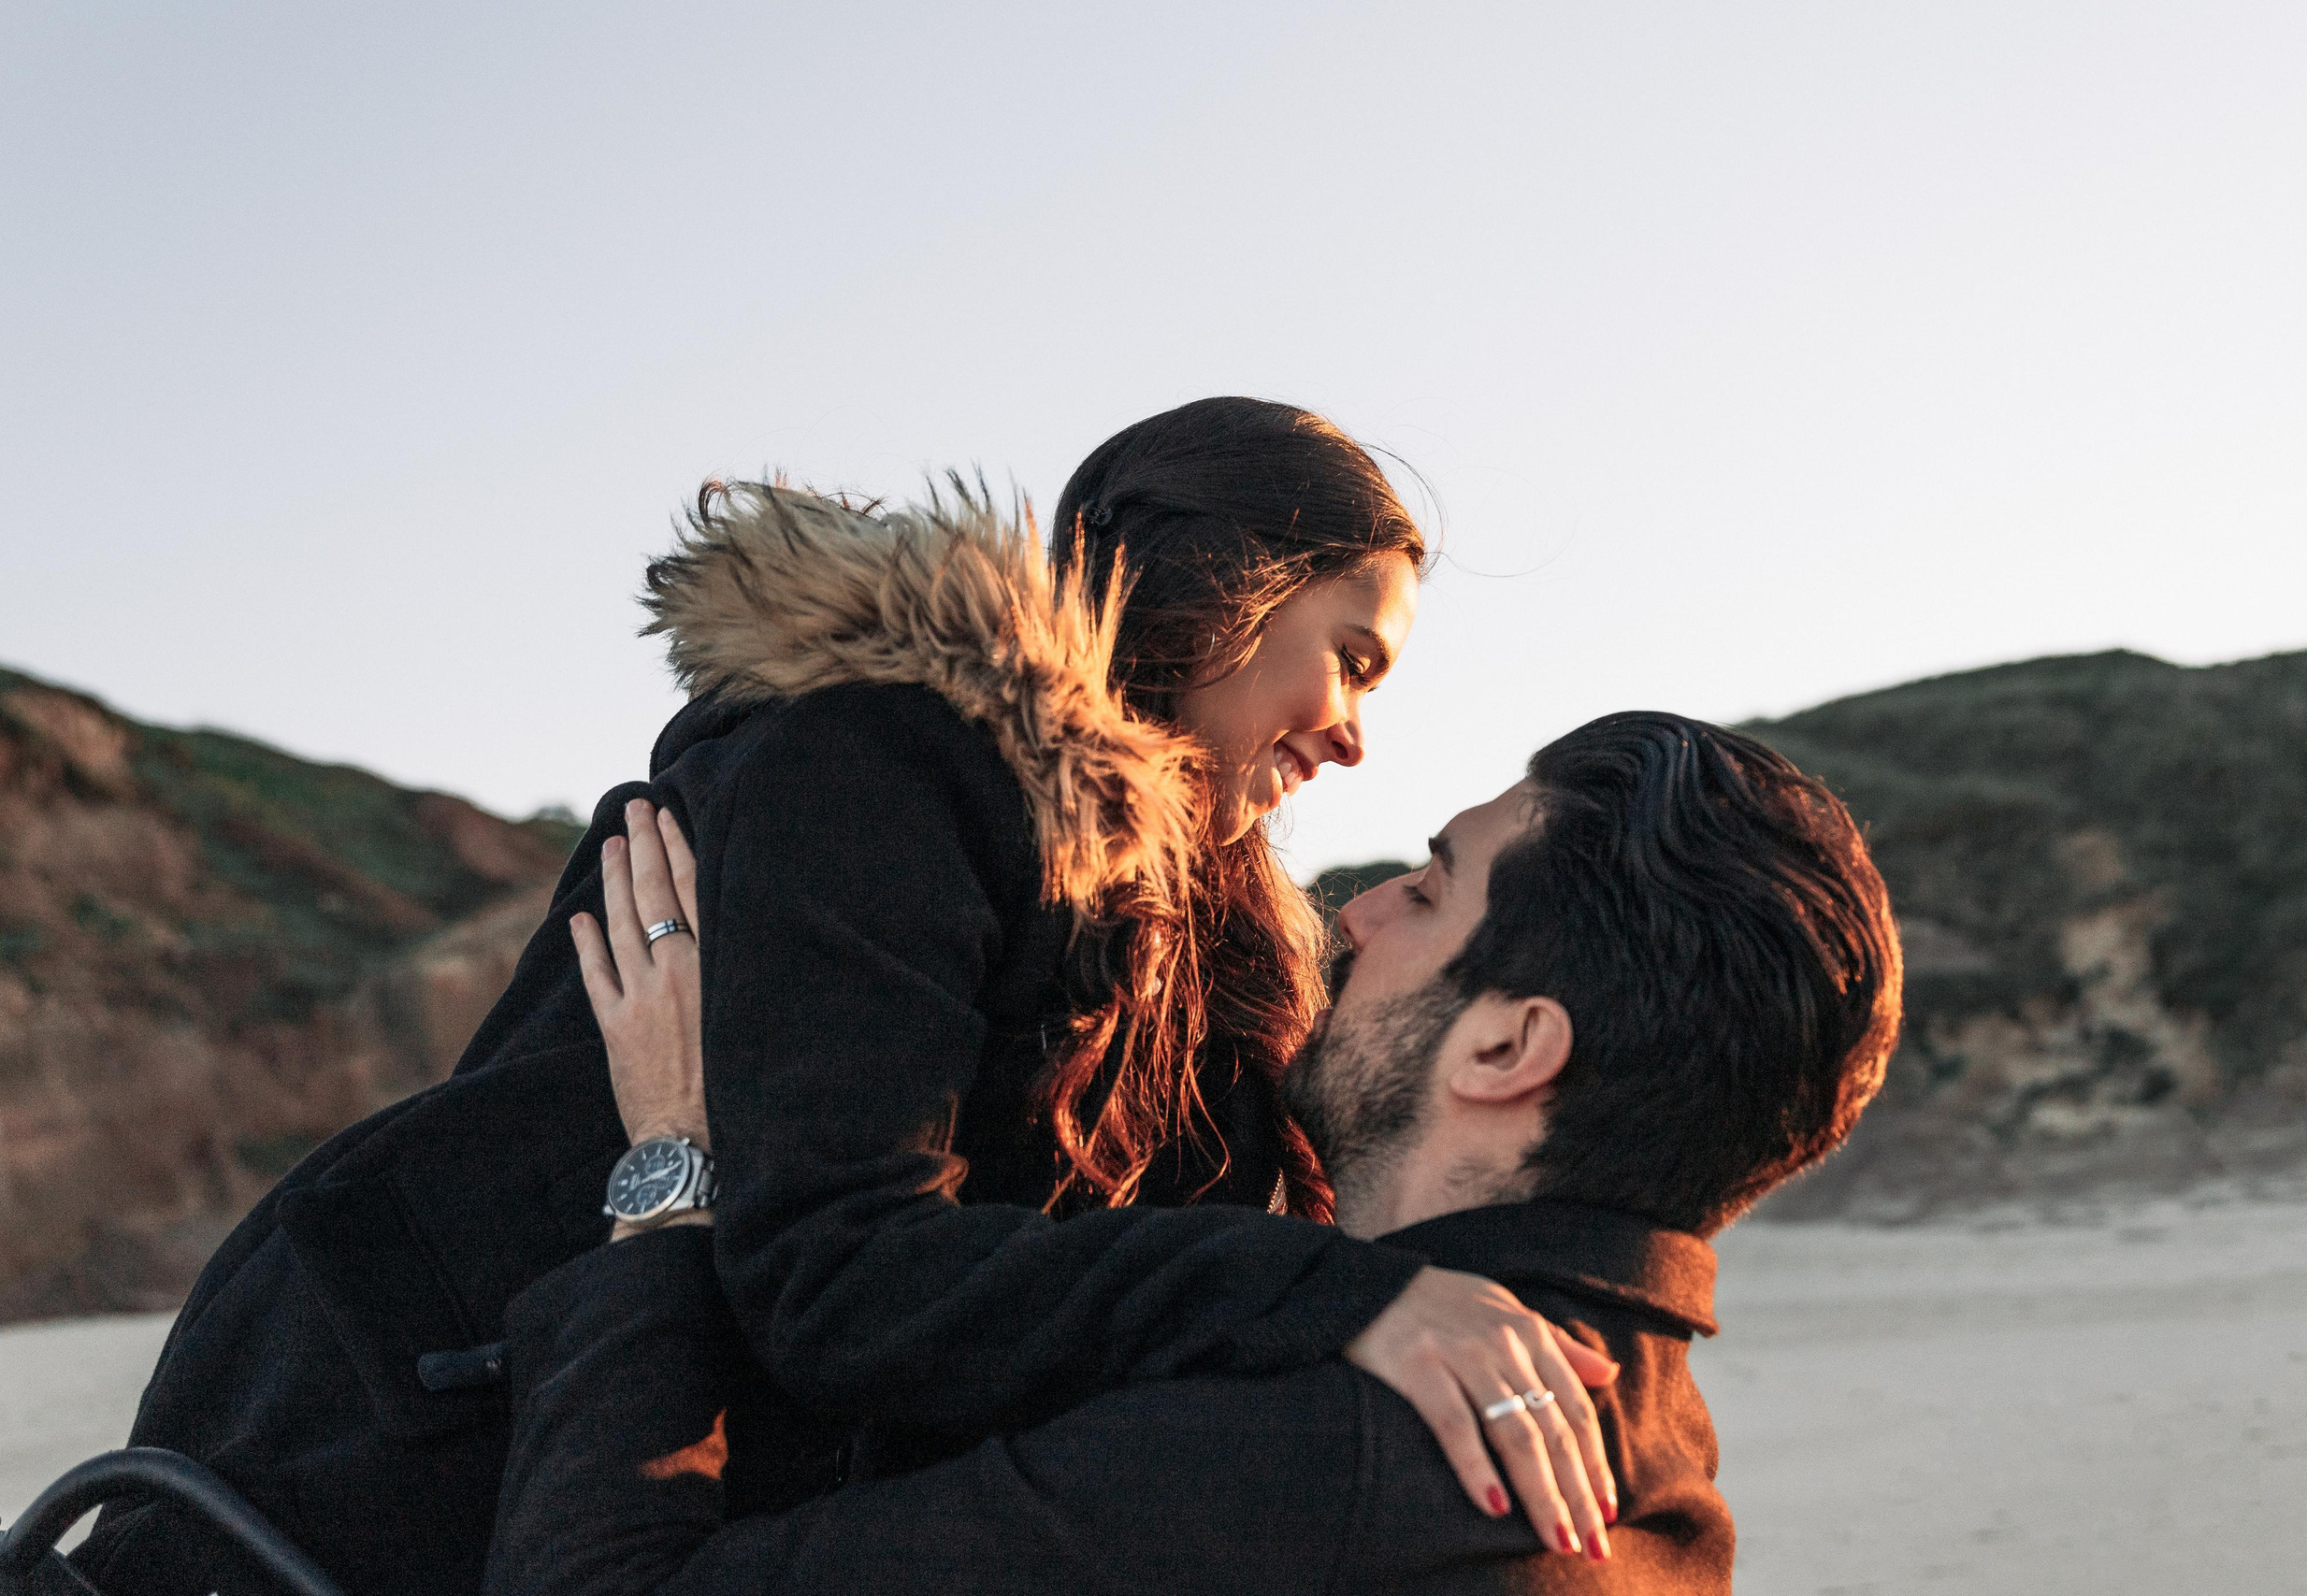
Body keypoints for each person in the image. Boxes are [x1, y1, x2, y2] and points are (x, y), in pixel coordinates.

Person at [79, 400, 1617, 1596]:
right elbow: (834, 1272)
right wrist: (1331, 1302)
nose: (1353, 738)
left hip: (621, 1463)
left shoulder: (1198, 935)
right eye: (1350, 659)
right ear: (1221, 587)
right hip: (382, 1430)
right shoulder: (877, 763)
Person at [483, 710, 1903, 1595]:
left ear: (1505, 1051)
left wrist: (672, 1168)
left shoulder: (1310, 1467)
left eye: (1428, 889)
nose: (1357, 918)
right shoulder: (1656, 1454)